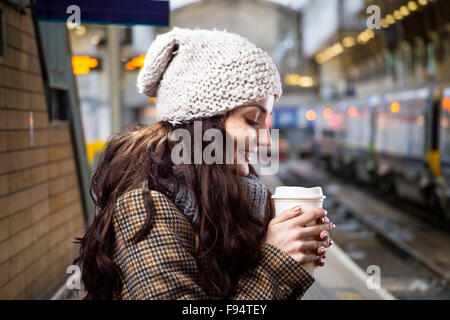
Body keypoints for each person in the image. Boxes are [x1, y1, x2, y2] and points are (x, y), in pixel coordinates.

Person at [74, 27, 335, 300]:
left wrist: (295, 259)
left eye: (266, 123)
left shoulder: (240, 197)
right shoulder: (145, 205)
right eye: (251, 120)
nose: (266, 140)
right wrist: (275, 265)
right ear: (203, 122)